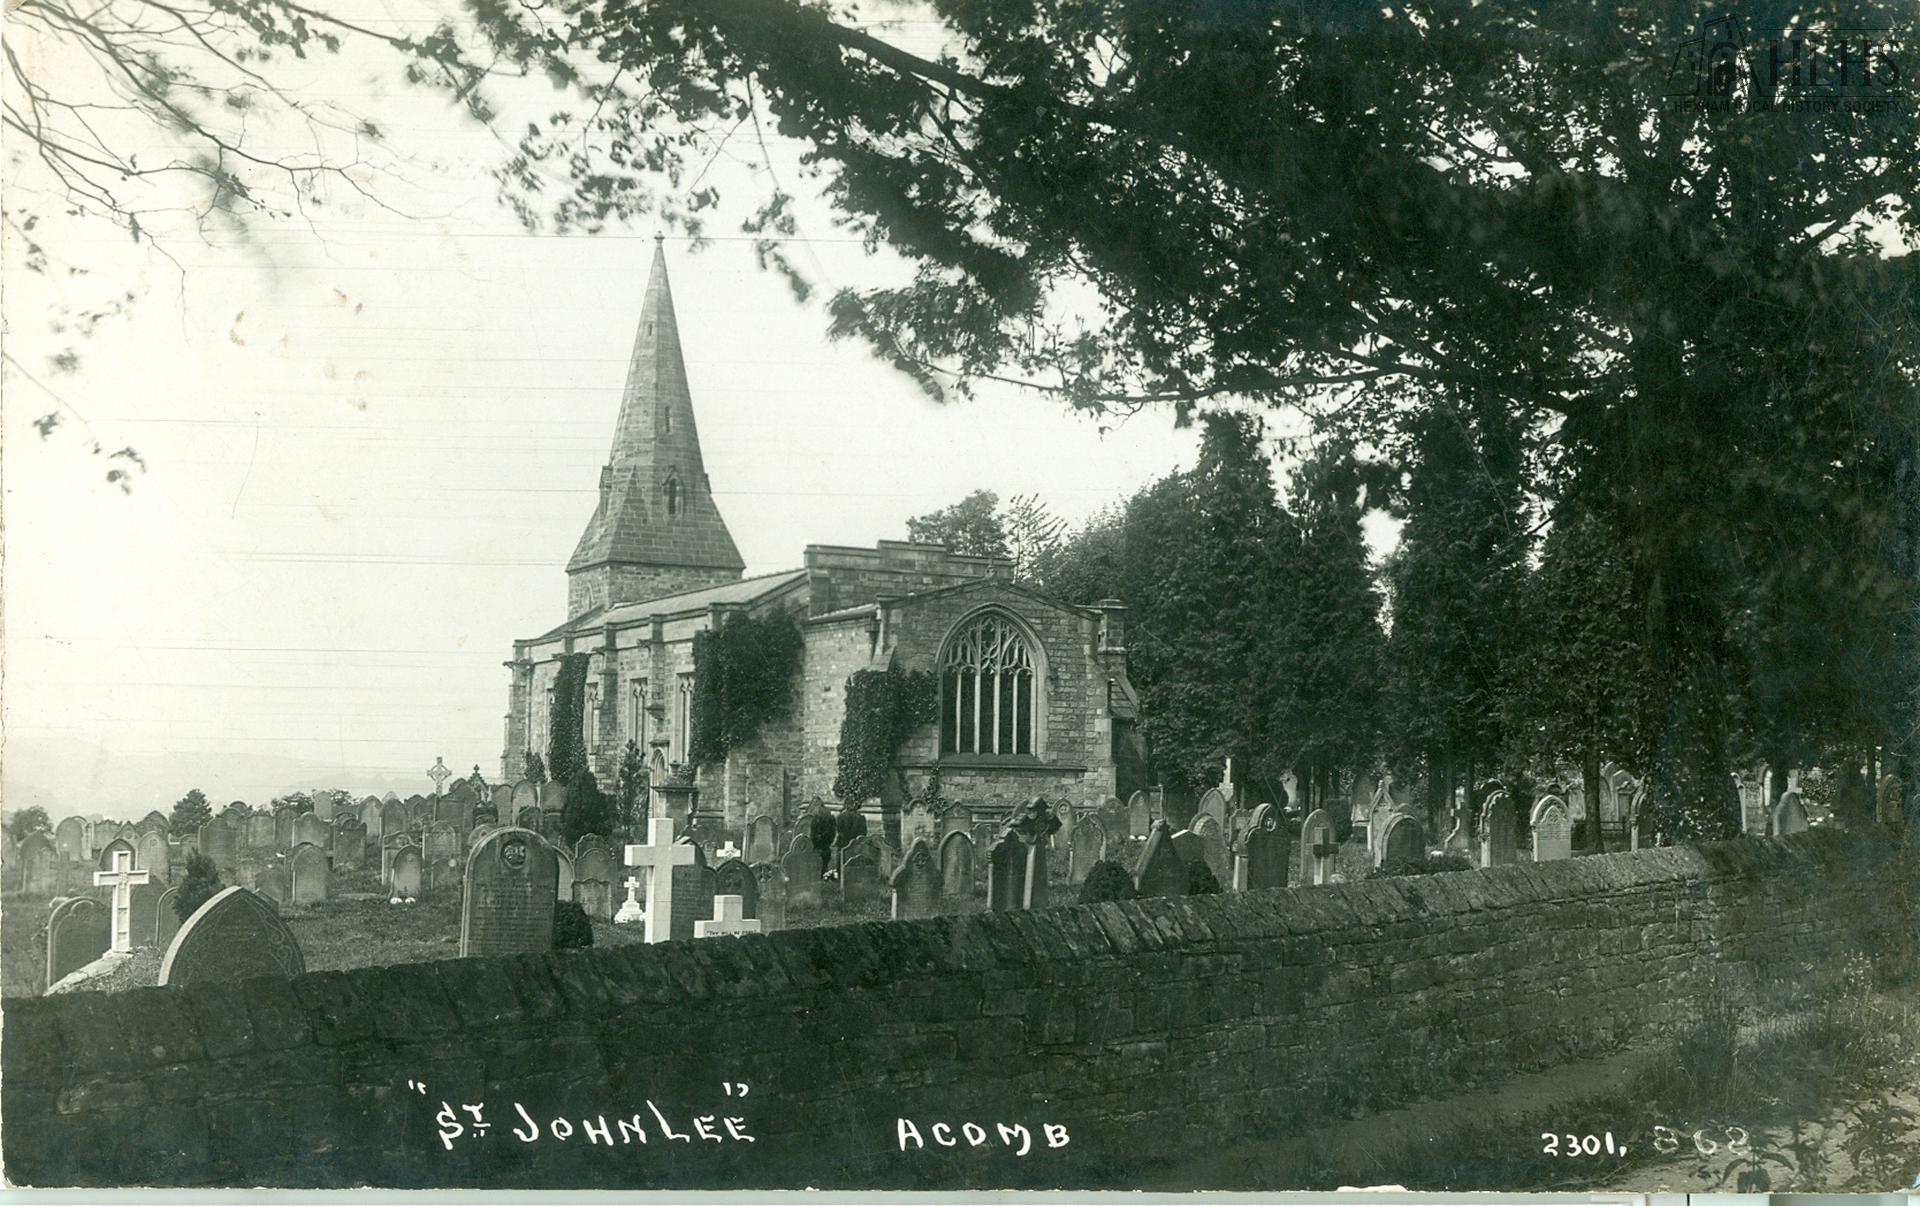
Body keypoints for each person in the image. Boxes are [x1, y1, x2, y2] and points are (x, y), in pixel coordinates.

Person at [808, 807, 837, 879]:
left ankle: (822, 872)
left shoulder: (817, 819)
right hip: (823, 845)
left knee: (823, 859)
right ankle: (823, 872)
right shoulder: (818, 820)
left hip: (821, 845)